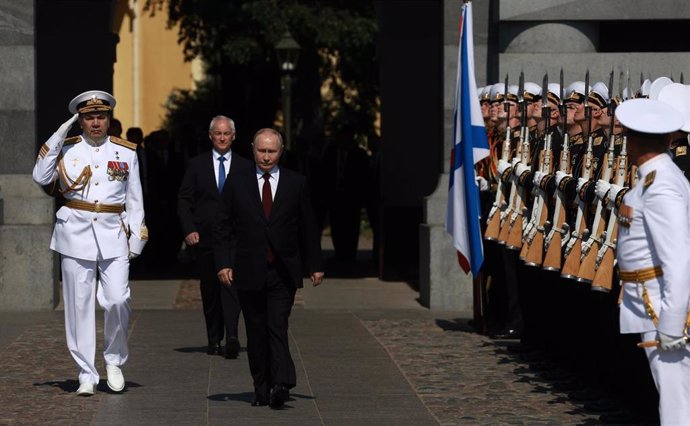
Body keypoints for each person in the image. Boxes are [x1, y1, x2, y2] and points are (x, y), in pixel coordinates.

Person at [32, 90, 147, 396]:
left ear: (109, 119)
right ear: (79, 121)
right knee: (79, 305)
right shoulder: (67, 148)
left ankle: (113, 360)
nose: (96, 123)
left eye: (101, 116)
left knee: (118, 299)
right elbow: (40, 176)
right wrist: (60, 133)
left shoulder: (126, 152)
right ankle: (86, 371)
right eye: (88, 117)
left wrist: (137, 238)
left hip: (113, 233)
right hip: (75, 234)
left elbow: (135, 199)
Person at [215, 128, 324, 408]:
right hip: (249, 268)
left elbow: (308, 227)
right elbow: (223, 225)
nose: (266, 157)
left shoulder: (295, 183)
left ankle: (282, 382)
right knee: (255, 329)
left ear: (281, 151)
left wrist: (314, 265)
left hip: (282, 269)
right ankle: (261, 385)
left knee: (277, 325)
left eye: (272, 151)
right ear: (252, 149)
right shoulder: (237, 182)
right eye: (261, 151)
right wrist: (224, 262)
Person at [598, 97, 690, 425]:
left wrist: (672, 322)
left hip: (660, 304)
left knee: (677, 402)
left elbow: (679, 259)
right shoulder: (653, 178)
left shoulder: (661, 185)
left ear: (632, 141)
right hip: (649, 299)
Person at [177, 116, 251, 358]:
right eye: (217, 133)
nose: (222, 138)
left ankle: (232, 335)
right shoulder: (197, 165)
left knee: (232, 285)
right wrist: (189, 229)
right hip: (205, 237)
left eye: (226, 134)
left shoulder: (244, 166)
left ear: (233, 136)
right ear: (210, 136)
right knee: (210, 290)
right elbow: (185, 199)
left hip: (235, 237)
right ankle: (213, 337)